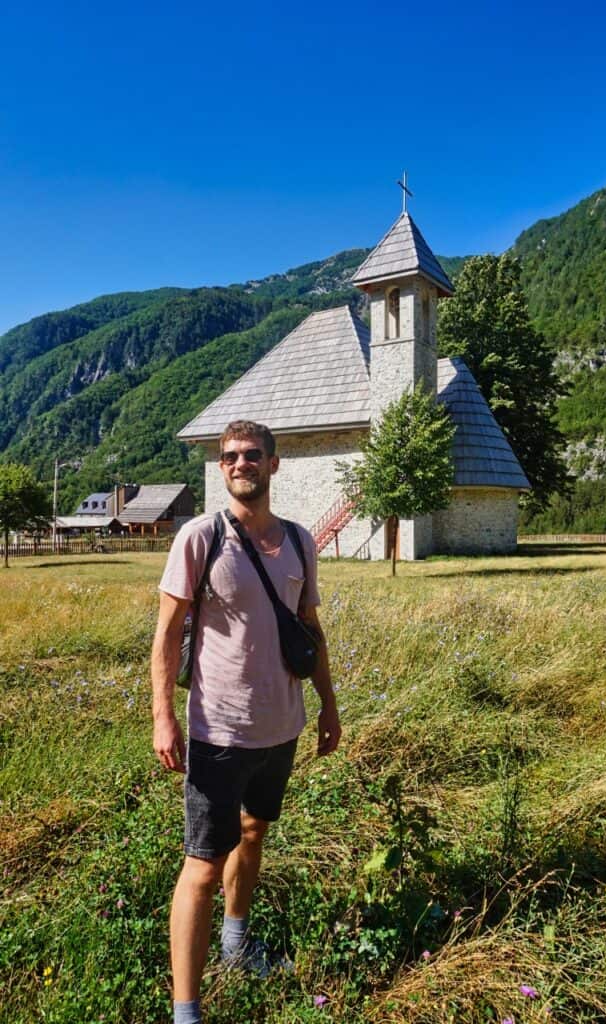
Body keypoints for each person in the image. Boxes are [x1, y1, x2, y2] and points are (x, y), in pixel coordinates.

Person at [151, 420, 341, 1024]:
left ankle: (236, 945)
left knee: (255, 833)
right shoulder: (200, 538)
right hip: (218, 732)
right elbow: (165, 637)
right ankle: (187, 1012)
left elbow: (310, 630)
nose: (240, 464)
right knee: (202, 867)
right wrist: (163, 717)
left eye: (252, 455)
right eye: (230, 456)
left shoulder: (300, 542)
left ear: (273, 465)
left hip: (282, 726)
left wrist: (329, 705)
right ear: (222, 466)